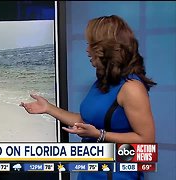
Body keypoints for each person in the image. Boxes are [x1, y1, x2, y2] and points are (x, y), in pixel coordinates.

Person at [20, 15, 156, 180]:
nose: (87, 50)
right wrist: (48, 108)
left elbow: (146, 142)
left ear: (105, 48)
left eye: (91, 45)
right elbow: (86, 122)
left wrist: (100, 135)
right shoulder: (101, 83)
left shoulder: (132, 88)